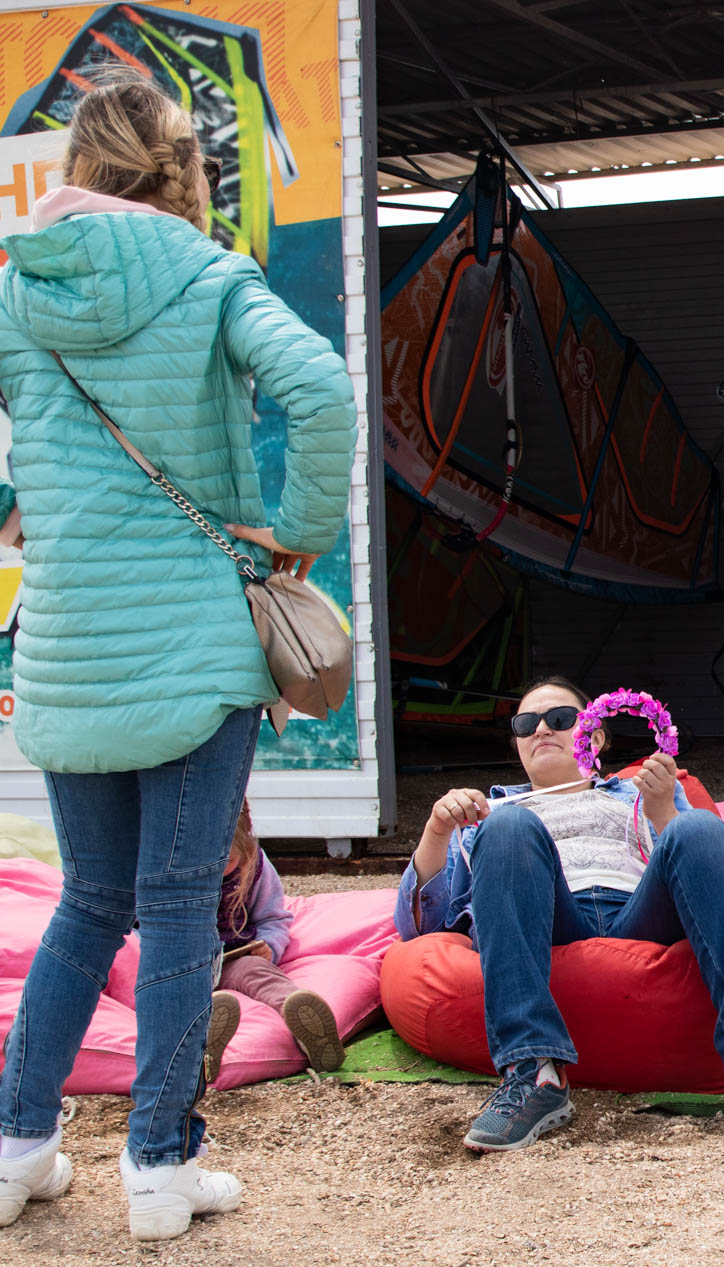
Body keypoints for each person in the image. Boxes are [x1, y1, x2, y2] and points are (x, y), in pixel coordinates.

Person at [0, 76, 354, 1241]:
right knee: (174, 904)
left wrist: (21, 512)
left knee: (87, 901)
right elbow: (318, 386)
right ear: (181, 169)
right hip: (195, 648)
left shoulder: (18, 288)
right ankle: (160, 1163)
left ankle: (15, 1147)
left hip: (67, 650)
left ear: (79, 168)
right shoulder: (210, 277)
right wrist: (298, 530)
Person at [394, 677, 724, 1151]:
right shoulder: (486, 814)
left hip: (641, 913)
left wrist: (661, 809)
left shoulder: (637, 791)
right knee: (510, 825)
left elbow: (709, 875)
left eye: (559, 719)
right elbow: (421, 928)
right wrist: (436, 831)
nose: (541, 730)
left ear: (594, 736)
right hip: (551, 918)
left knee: (700, 825)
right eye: (526, 723)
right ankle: (532, 1075)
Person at [200, 802, 346, 1083]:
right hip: (180, 965)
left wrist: (268, 945)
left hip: (232, 959)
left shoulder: (255, 866)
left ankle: (307, 1029)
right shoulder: (169, 869)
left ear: (245, 850)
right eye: (208, 862)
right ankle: (201, 1047)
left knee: (257, 971)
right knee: (173, 989)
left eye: (227, 862)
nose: (217, 870)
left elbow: (274, 919)